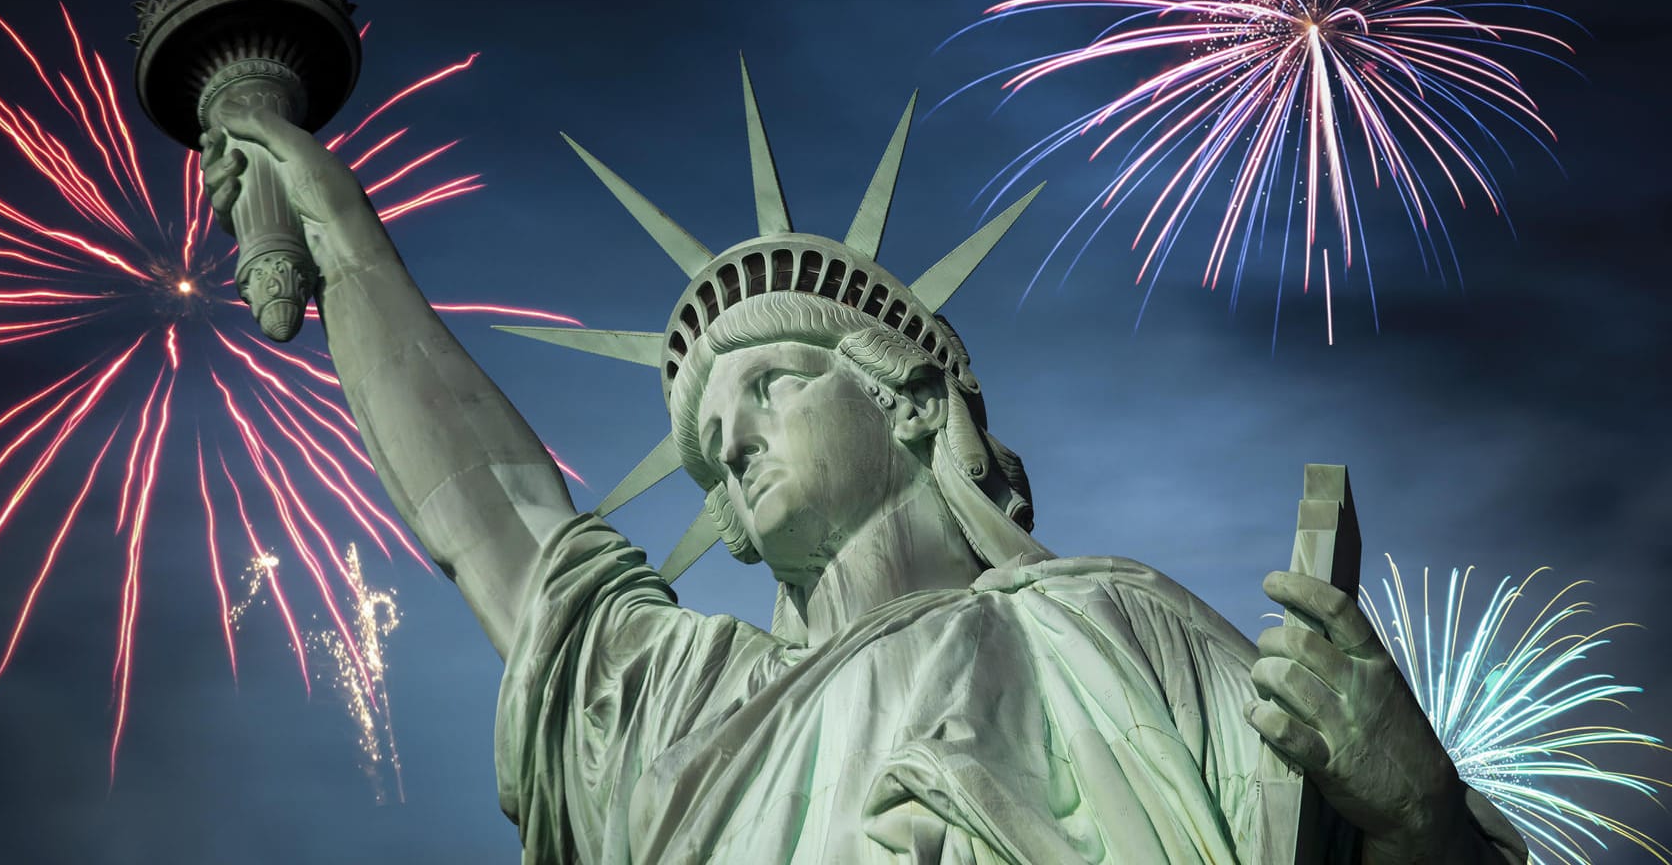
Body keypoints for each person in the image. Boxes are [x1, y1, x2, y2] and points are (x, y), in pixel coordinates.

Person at [201, 78, 1527, 864]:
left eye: (769, 383)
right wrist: (345, 240)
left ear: (903, 395)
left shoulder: (1113, 628)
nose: (725, 436)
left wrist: (1421, 825)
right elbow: (491, 515)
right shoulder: (681, 713)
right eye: (710, 426)